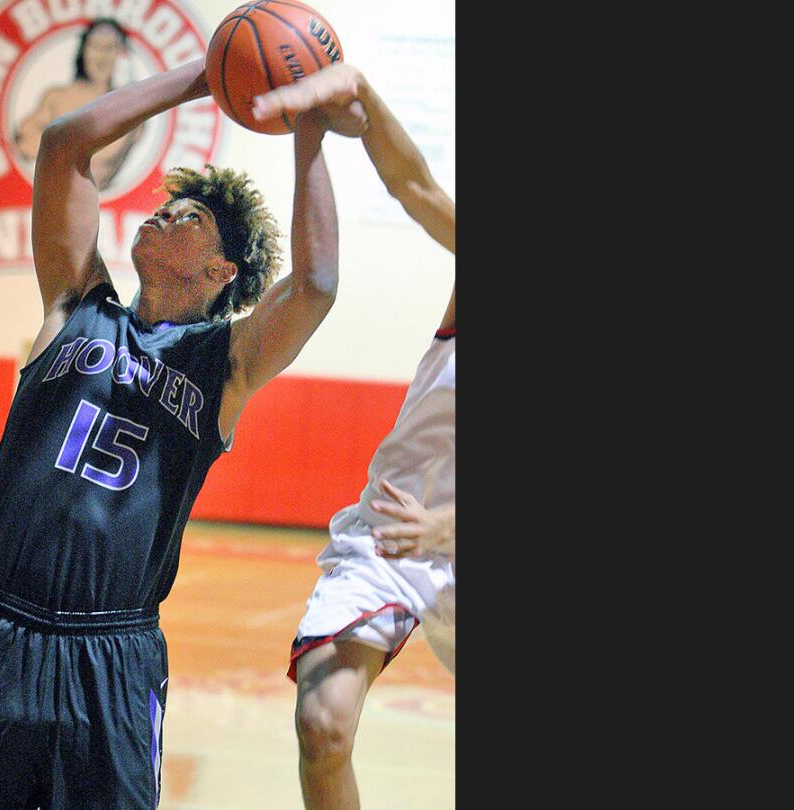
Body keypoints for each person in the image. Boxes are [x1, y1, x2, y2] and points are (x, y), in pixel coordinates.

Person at [0, 56, 364, 809]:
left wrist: (308, 126)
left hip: (109, 656)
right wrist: (206, 77)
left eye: (191, 218)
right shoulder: (74, 305)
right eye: (167, 205)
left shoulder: (225, 365)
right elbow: (63, 144)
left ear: (221, 269)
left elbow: (315, 285)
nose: (163, 213)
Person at [252, 63, 457, 810]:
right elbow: (417, 187)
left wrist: (448, 524)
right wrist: (359, 92)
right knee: (323, 725)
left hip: (444, 531)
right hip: (394, 534)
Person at [15, 18, 141, 190]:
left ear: (121, 55)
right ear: (84, 51)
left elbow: (103, 158)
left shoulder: (132, 108)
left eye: (109, 48)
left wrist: (60, 148)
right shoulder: (57, 98)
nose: (101, 56)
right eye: (95, 46)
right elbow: (25, 139)